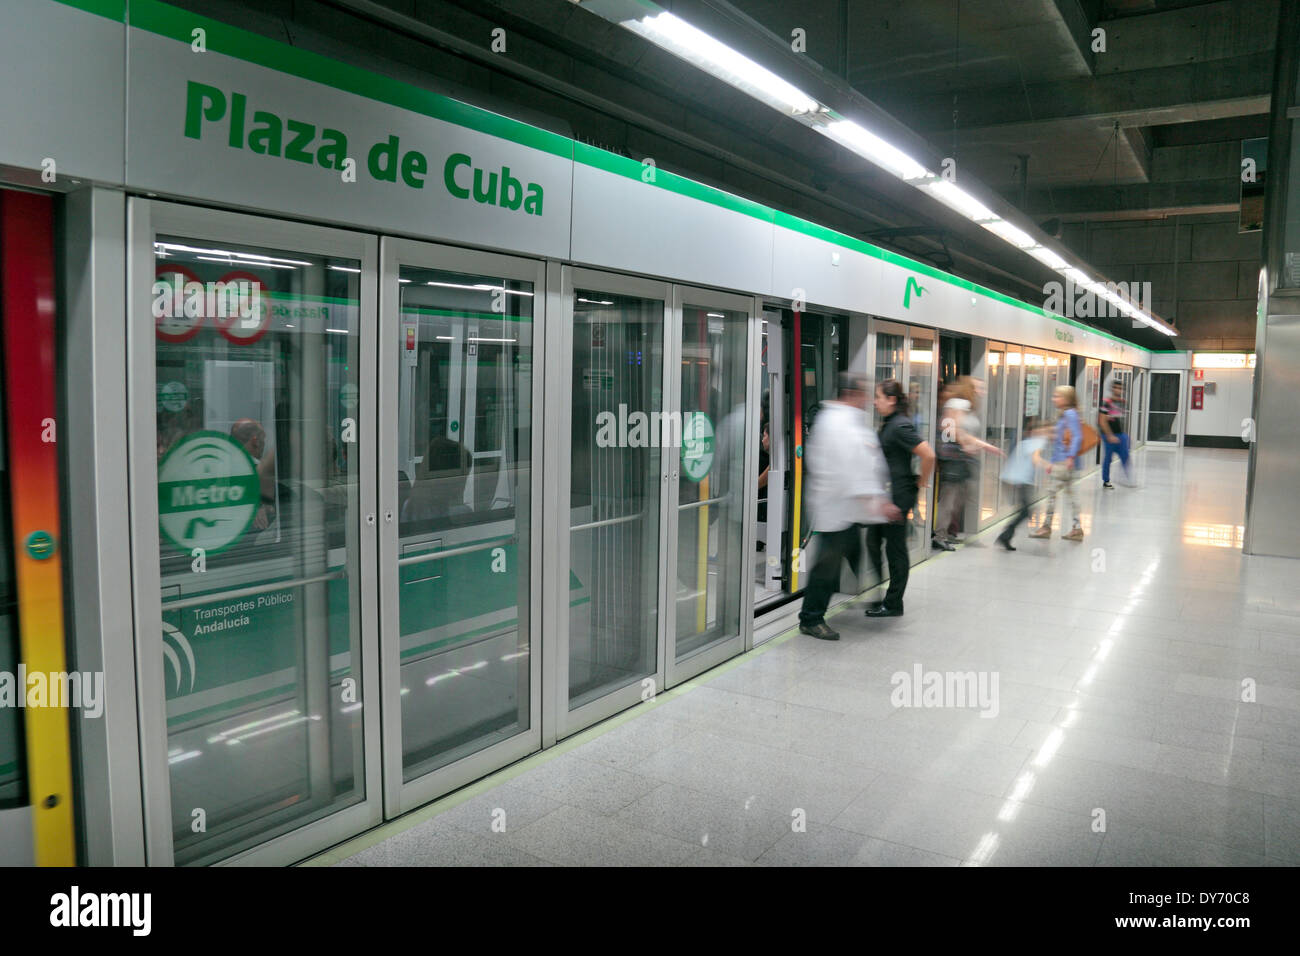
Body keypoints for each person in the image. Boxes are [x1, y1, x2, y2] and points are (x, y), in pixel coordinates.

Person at [797, 373, 893, 641]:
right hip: (836, 508)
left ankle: (873, 594)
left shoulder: (842, 420)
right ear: (852, 394)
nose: (868, 400)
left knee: (854, 553)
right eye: (865, 394)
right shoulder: (837, 423)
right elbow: (849, 468)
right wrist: (873, 500)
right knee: (826, 568)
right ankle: (811, 618)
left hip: (845, 509)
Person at [867, 379, 936, 617]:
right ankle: (883, 596)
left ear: (892, 400)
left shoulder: (900, 425)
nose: (875, 402)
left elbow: (928, 455)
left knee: (895, 550)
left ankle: (894, 603)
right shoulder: (889, 423)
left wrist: (921, 482)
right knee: (873, 542)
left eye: (878, 397)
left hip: (897, 497)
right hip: (888, 495)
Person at [932, 376, 1001, 550]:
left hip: (962, 458)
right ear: (969, 388)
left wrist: (978, 445)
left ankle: (946, 533)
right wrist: (968, 445)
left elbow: (964, 433)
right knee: (949, 499)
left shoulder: (967, 406)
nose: (982, 391)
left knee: (958, 498)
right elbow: (949, 429)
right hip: (953, 458)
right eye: (979, 387)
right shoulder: (957, 404)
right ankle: (939, 536)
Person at [1030, 386, 1085, 541]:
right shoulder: (1068, 414)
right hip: (1064, 461)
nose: (1054, 399)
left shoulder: (1069, 414)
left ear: (1066, 398)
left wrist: (1070, 457)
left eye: (1057, 396)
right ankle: (1077, 528)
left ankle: (1046, 527)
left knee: (1051, 494)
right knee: (1071, 496)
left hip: (1064, 462)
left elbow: (1077, 437)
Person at [995, 420, 1051, 551]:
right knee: (1026, 511)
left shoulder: (1026, 442)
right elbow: (1035, 459)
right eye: (1047, 431)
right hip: (1020, 480)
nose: (1048, 434)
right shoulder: (1038, 442)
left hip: (1015, 478)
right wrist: (1048, 465)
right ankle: (1005, 535)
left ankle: (1006, 535)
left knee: (1025, 510)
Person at [1099, 379, 1133, 489]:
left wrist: (1124, 434)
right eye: (1116, 388)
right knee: (1108, 458)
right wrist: (1109, 435)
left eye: (1120, 388)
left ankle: (1127, 478)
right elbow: (1102, 421)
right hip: (1108, 435)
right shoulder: (1106, 403)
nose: (1118, 390)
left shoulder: (1122, 402)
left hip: (1120, 434)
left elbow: (1120, 419)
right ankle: (1106, 481)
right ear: (1112, 389)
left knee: (1125, 456)